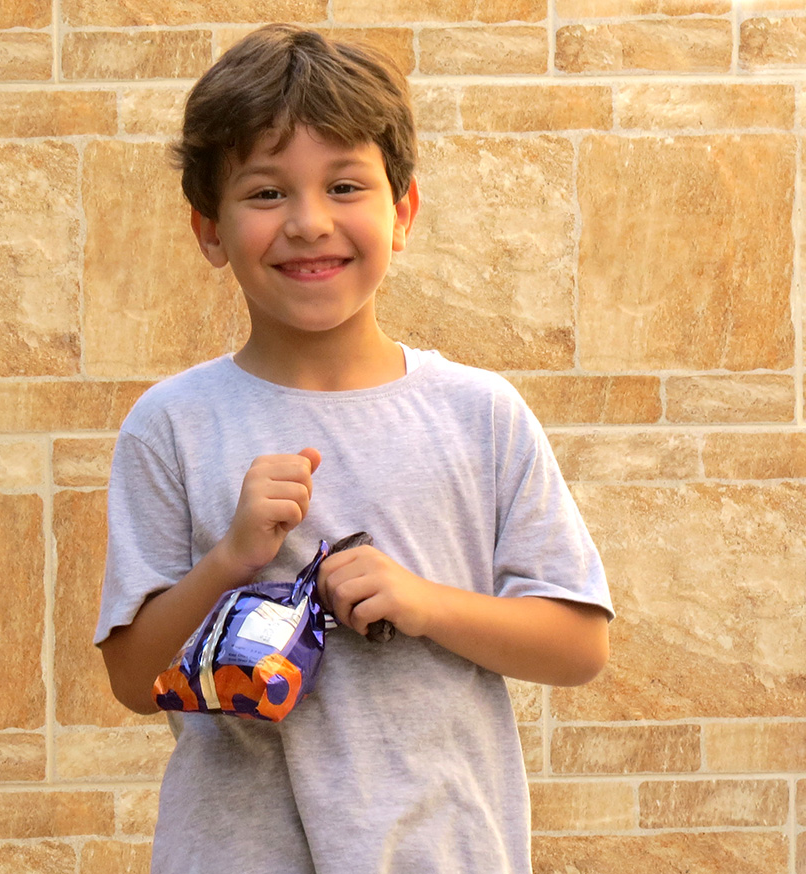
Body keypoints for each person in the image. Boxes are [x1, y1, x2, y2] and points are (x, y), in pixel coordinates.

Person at [95, 23, 613, 874]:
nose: (308, 223)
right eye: (265, 193)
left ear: (401, 212)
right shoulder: (173, 423)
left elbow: (579, 645)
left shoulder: (480, 413)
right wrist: (228, 559)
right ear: (209, 228)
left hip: (445, 850)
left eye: (344, 185)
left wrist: (423, 603)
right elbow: (131, 680)